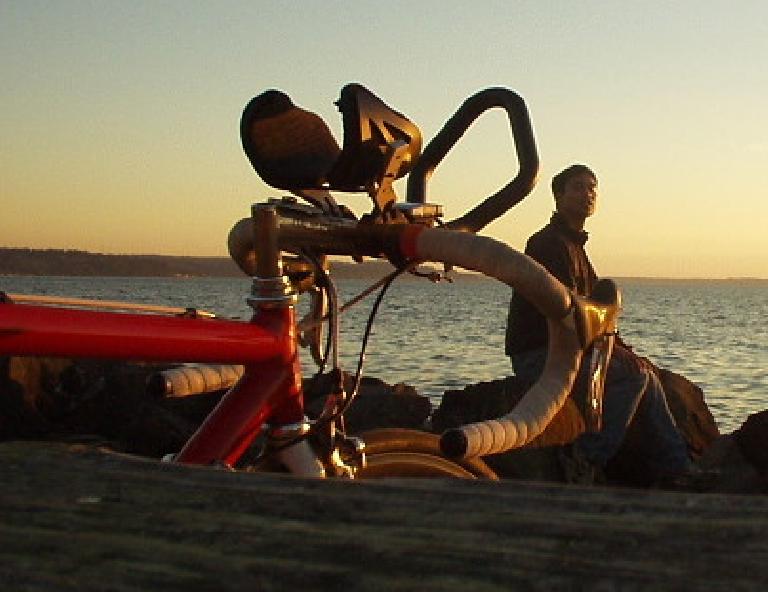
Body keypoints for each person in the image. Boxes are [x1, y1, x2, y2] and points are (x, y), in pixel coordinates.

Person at [505, 164, 698, 486]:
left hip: (568, 352)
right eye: (578, 187)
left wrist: (623, 350)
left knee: (646, 375)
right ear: (559, 195)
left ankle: (677, 469)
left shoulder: (576, 247)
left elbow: (601, 315)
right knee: (632, 376)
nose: (588, 194)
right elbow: (566, 315)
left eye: (592, 187)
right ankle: (584, 458)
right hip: (541, 355)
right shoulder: (547, 244)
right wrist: (616, 357)